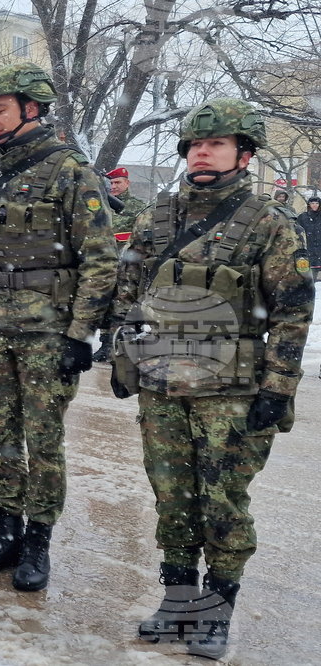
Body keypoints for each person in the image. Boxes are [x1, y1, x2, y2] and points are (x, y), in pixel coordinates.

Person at [110, 98, 313, 658]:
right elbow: (129, 293)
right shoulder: (157, 217)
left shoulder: (271, 225)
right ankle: (177, 602)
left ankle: (215, 612)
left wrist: (278, 388)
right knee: (172, 497)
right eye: (196, 144)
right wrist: (124, 358)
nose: (202, 151)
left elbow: (294, 312)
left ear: (243, 154)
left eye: (217, 143)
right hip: (163, 386)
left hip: (233, 391)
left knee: (222, 502)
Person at [0, 62, 118, 591]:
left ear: (32, 108)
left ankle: (38, 543)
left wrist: (81, 335)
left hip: (48, 333)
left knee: (43, 442)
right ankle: (6, 532)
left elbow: (100, 261)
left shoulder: (72, 173)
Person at [92, 168, 149, 362]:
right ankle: (106, 344)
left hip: (126, 266)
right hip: (103, 264)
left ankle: (118, 347)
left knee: (122, 306)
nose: (114, 187)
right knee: (104, 306)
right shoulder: (98, 204)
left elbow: (139, 238)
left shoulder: (137, 208)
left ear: (127, 183)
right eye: (112, 183)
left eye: (118, 183)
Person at [296, 196, 321, 280]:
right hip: (307, 246)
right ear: (309, 205)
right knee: (305, 268)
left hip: (319, 247)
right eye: (312, 203)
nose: (314, 205)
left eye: (316, 203)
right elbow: (297, 230)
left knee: (316, 269)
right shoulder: (303, 217)